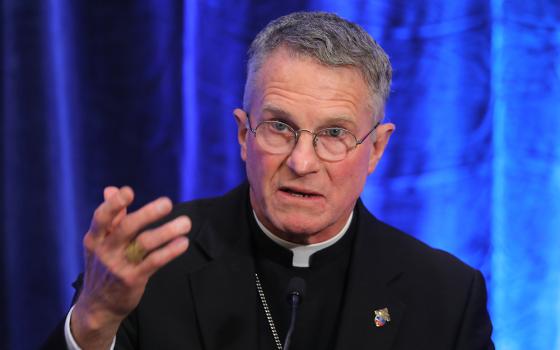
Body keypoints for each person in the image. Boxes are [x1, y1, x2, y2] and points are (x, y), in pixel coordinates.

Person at [44, 11, 494, 349]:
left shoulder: (445, 295)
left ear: (376, 149)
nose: (301, 162)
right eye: (280, 126)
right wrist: (94, 320)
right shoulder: (148, 264)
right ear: (244, 135)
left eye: (334, 134)